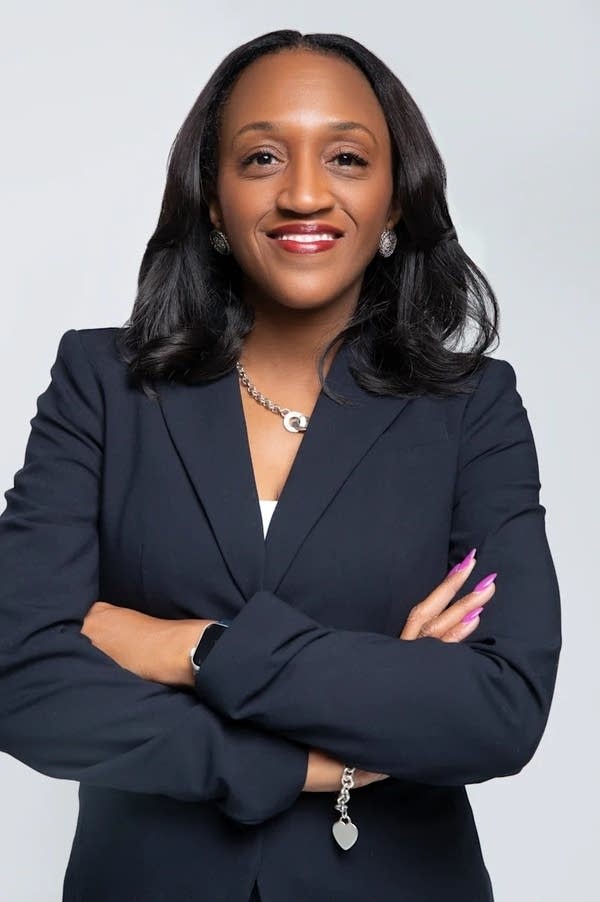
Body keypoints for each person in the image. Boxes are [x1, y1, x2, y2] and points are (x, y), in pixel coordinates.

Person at [0, 29, 561, 902]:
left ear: (396, 202)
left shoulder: (471, 407)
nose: (304, 193)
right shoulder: (104, 384)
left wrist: (191, 648)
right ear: (214, 203)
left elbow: (496, 709)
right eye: (262, 157)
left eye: (346, 157)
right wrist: (304, 758)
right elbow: (18, 675)